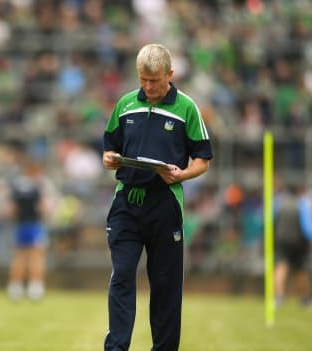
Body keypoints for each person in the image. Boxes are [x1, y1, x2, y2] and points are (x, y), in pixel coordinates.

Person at [102, 43, 213, 351]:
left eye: (154, 80)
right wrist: (110, 159)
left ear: (170, 74)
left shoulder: (187, 108)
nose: (148, 87)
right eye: (143, 80)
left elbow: (203, 159)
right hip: (126, 203)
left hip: (165, 205)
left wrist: (182, 175)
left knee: (165, 287)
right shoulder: (125, 105)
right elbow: (109, 148)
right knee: (122, 276)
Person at [6, 155, 55, 302]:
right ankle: (35, 287)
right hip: (34, 224)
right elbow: (44, 208)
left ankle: (15, 287)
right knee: (36, 256)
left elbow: (11, 209)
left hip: (21, 224)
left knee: (19, 256)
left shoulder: (17, 185)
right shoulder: (39, 186)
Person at [273, 183, 312, 308]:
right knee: (300, 270)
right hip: (298, 242)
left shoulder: (278, 204)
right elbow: (308, 227)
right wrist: (311, 241)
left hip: (281, 240)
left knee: (281, 267)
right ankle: (304, 298)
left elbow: (272, 221)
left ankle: (279, 296)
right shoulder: (302, 205)